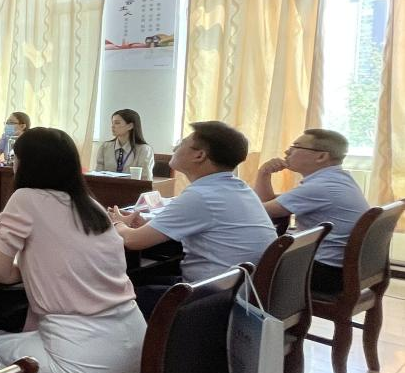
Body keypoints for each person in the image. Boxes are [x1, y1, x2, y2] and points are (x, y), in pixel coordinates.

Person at [0, 128, 145, 373]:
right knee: (8, 334)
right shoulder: (92, 207)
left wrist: (27, 270)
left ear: (28, 165)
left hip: (86, 361)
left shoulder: (26, 198)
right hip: (138, 354)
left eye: (16, 158)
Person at [110, 121, 276, 304]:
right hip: (241, 291)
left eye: (181, 143)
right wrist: (148, 227)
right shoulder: (238, 187)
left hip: (212, 302)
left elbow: (134, 241)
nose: (175, 147)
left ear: (199, 155)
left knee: (116, 295)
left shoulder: (201, 195)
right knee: (140, 278)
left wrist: (117, 223)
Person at [253, 128, 369, 293]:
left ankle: (258, 316)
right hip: (341, 269)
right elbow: (269, 206)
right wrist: (264, 174)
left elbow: (258, 212)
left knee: (244, 265)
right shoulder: (336, 179)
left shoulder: (320, 187)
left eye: (296, 146)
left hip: (325, 273)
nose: (287, 151)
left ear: (321, 156)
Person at [93, 108, 155, 177]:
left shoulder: (144, 150)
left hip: (132, 187)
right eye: (112, 123)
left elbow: (145, 178)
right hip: (106, 186)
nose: (112, 126)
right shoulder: (105, 147)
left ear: (130, 126)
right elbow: (97, 175)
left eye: (117, 123)